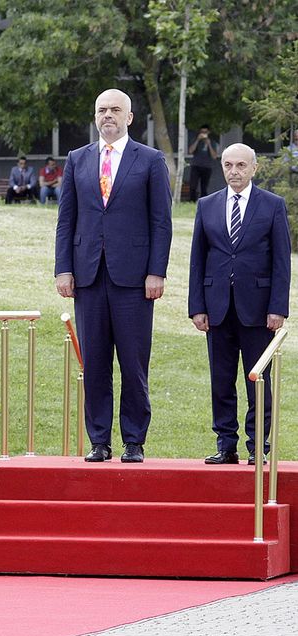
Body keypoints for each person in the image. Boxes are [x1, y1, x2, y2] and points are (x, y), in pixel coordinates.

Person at [54, 88, 172, 464]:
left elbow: (161, 222)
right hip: (88, 276)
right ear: (95, 116)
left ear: (129, 117)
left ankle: (134, 441)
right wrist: (63, 268)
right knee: (94, 363)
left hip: (134, 280)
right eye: (102, 109)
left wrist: (156, 272)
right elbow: (66, 219)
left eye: (115, 110)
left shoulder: (150, 160)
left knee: (133, 363)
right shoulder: (78, 159)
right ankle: (99, 440)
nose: (108, 115)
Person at [188, 143, 290, 465]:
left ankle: (258, 446)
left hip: (258, 310)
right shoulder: (207, 205)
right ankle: (226, 444)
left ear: (254, 168)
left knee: (257, 380)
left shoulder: (272, 205)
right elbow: (197, 259)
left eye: (241, 166)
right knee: (221, 380)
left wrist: (278, 307)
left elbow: (281, 261)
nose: (234, 171)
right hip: (217, 308)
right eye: (229, 165)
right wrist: (197, 307)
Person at [187, 125, 219, 201]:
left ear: (209, 132)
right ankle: (192, 201)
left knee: (204, 186)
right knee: (193, 185)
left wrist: (209, 144)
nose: (203, 134)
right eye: (202, 132)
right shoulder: (196, 140)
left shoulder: (212, 142)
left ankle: (203, 202)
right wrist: (197, 140)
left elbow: (214, 156)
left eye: (205, 132)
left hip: (207, 166)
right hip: (196, 165)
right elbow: (190, 151)